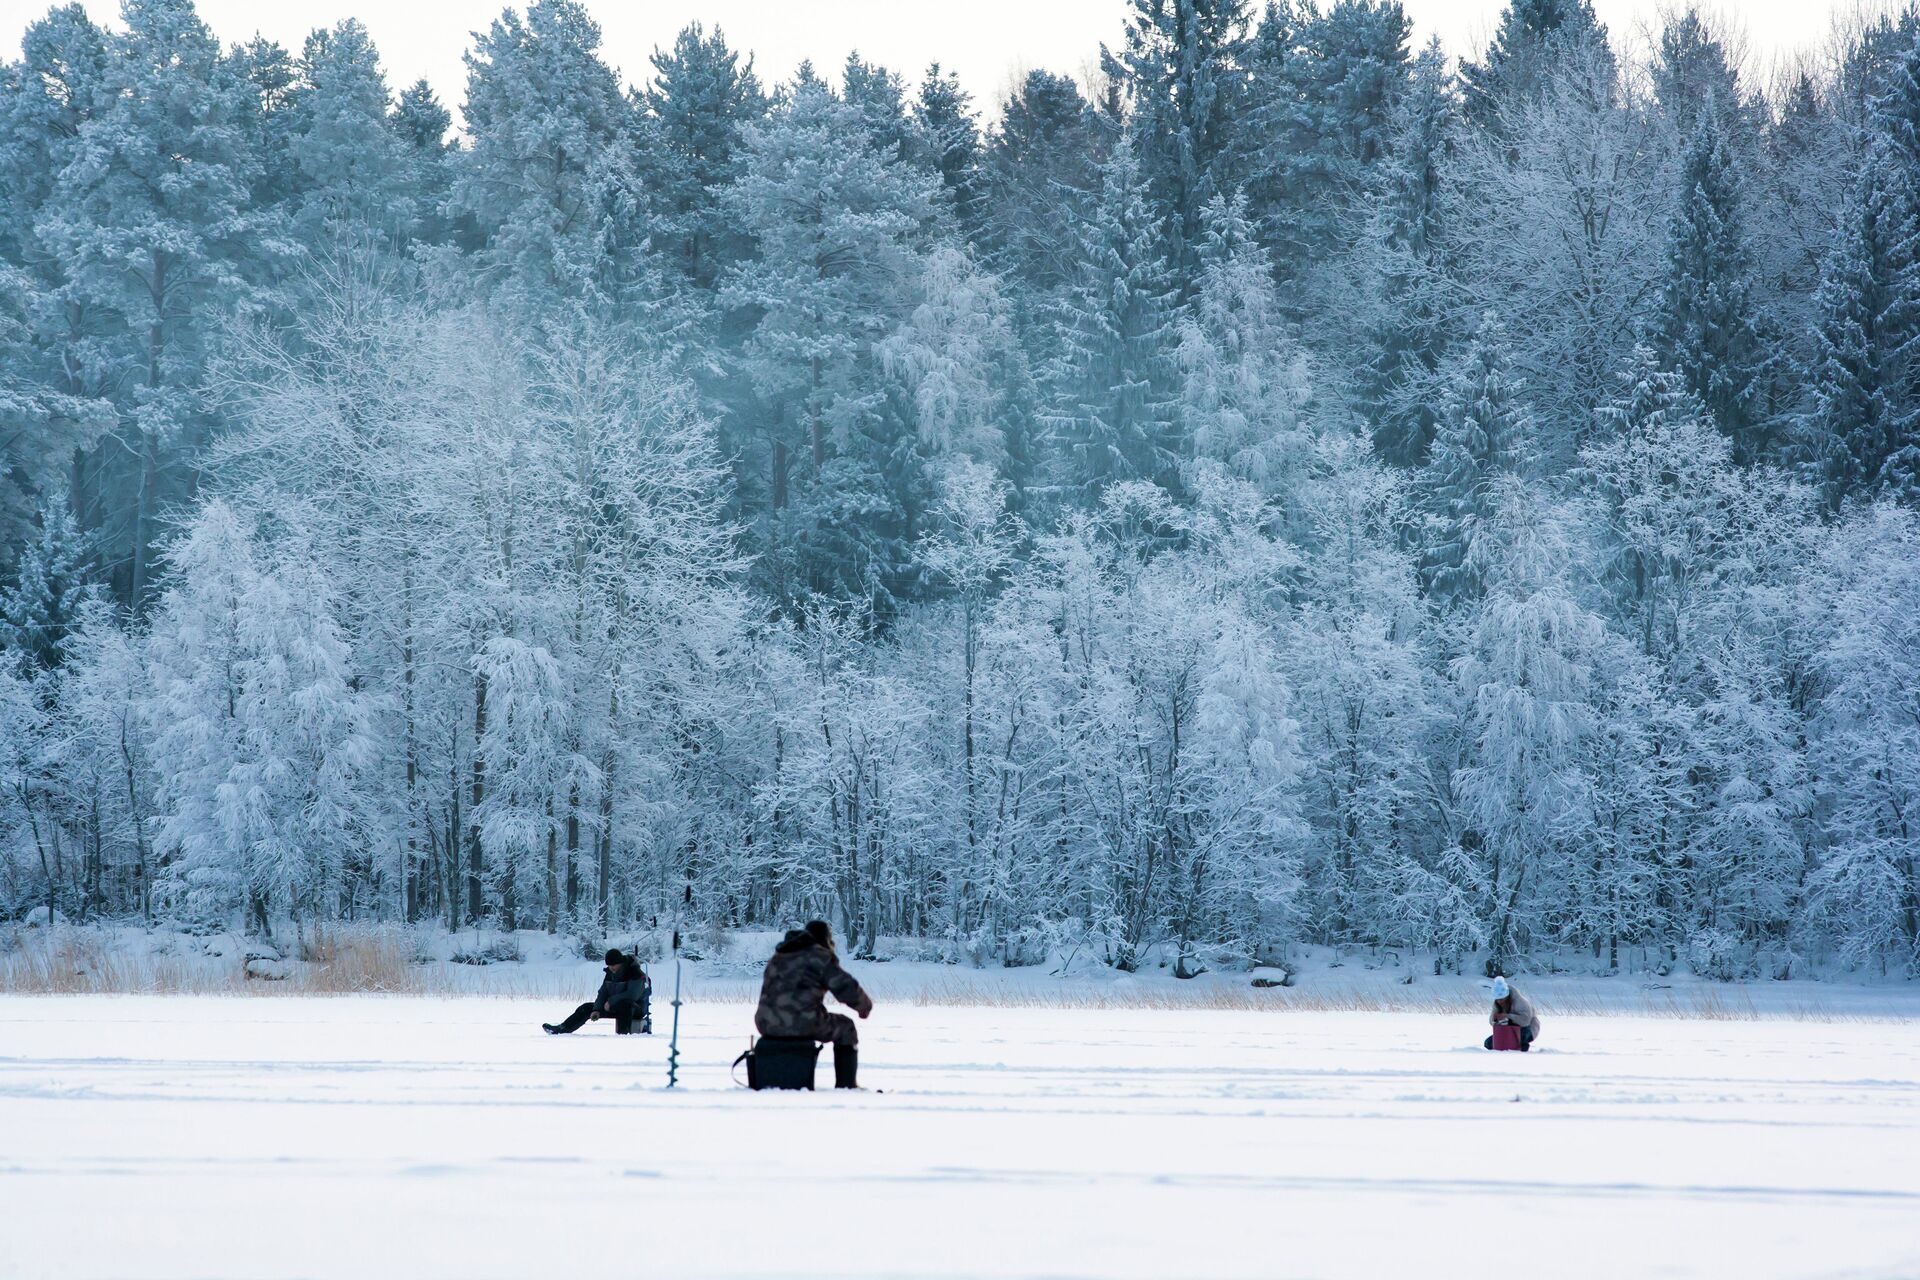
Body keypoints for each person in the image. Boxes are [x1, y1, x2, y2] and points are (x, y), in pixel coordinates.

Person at [755, 920, 872, 1088]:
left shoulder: (779, 955)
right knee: (846, 1027)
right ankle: (847, 1085)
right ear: (825, 939)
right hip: (802, 1023)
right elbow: (845, 986)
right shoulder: (819, 956)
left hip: (765, 1023)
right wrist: (864, 1007)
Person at [544, 949, 651, 1035]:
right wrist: (596, 1009)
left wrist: (611, 1001)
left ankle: (622, 1036)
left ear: (621, 963)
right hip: (613, 1006)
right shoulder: (610, 973)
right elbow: (603, 992)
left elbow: (632, 995)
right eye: (609, 965)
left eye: (614, 965)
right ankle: (561, 1029)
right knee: (586, 1007)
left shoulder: (635, 973)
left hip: (635, 1009)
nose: (611, 968)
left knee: (625, 1005)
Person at [1484, 975, 1540, 1051]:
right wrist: (1496, 1019)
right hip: (1508, 1031)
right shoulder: (1496, 1004)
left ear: (1507, 996)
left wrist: (1508, 1017)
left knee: (1518, 1039)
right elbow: (1491, 1021)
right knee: (1488, 1043)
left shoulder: (1521, 1002)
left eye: (1502, 999)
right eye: (1498, 999)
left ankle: (1520, 1047)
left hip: (1528, 1029)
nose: (1500, 1002)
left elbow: (1525, 1021)